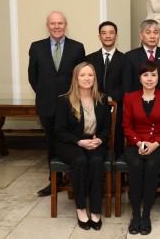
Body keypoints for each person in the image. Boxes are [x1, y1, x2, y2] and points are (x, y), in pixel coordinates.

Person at [28, 11, 85, 197]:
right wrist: (45, 94)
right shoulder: (36, 47)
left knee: (71, 140)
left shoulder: (77, 48)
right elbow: (33, 76)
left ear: (65, 25)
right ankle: (54, 180)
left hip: (71, 105)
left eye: (60, 23)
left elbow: (80, 77)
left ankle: (73, 178)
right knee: (51, 142)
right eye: (53, 23)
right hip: (47, 105)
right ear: (47, 26)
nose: (57, 26)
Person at [54, 62, 111, 231]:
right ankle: (81, 208)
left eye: (90, 75)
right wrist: (79, 142)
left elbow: (107, 127)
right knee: (79, 161)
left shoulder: (101, 99)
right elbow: (59, 130)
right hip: (70, 143)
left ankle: (95, 209)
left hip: (94, 142)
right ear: (76, 78)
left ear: (95, 78)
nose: (87, 78)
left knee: (95, 162)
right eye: (83, 75)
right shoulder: (64, 100)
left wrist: (100, 140)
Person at [122, 61, 160, 235]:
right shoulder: (130, 97)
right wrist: (138, 142)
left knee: (151, 165)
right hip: (135, 143)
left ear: (158, 77)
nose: (149, 78)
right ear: (139, 78)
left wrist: (156, 143)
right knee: (137, 165)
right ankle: (135, 215)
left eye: (153, 74)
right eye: (145, 75)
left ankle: (146, 215)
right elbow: (127, 126)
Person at [85, 21, 125, 159]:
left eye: (111, 33)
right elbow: (86, 81)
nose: (107, 36)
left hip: (117, 106)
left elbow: (126, 83)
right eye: (104, 33)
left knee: (118, 139)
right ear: (99, 36)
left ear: (116, 36)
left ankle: (120, 173)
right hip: (94, 105)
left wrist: (111, 97)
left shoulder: (125, 59)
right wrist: (99, 97)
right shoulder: (89, 59)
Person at [123, 19, 160, 97]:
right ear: (141, 35)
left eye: (156, 32)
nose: (152, 36)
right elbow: (127, 86)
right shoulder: (130, 56)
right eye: (148, 32)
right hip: (137, 103)